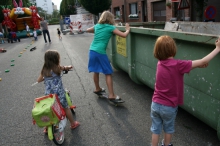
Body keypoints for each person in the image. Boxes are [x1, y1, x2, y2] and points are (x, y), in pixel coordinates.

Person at [151, 35, 220, 146]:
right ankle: (166, 144)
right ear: (173, 49)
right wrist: (218, 48)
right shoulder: (178, 65)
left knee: (155, 129)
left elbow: (181, 68)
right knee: (168, 128)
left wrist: (197, 66)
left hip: (155, 104)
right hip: (169, 106)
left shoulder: (160, 63)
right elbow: (203, 61)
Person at [86, 11, 130, 101]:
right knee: (108, 73)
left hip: (92, 50)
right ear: (110, 18)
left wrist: (96, 32)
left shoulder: (97, 26)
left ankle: (97, 88)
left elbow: (88, 30)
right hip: (100, 52)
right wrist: (128, 29)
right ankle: (111, 95)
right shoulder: (110, 27)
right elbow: (124, 35)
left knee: (95, 70)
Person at [37, 50, 80, 132]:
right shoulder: (57, 68)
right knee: (66, 108)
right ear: (56, 59)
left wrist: (45, 78)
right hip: (59, 94)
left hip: (49, 95)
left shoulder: (44, 70)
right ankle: (73, 123)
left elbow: (38, 80)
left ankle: (46, 128)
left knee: (50, 110)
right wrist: (69, 67)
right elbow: (65, 68)